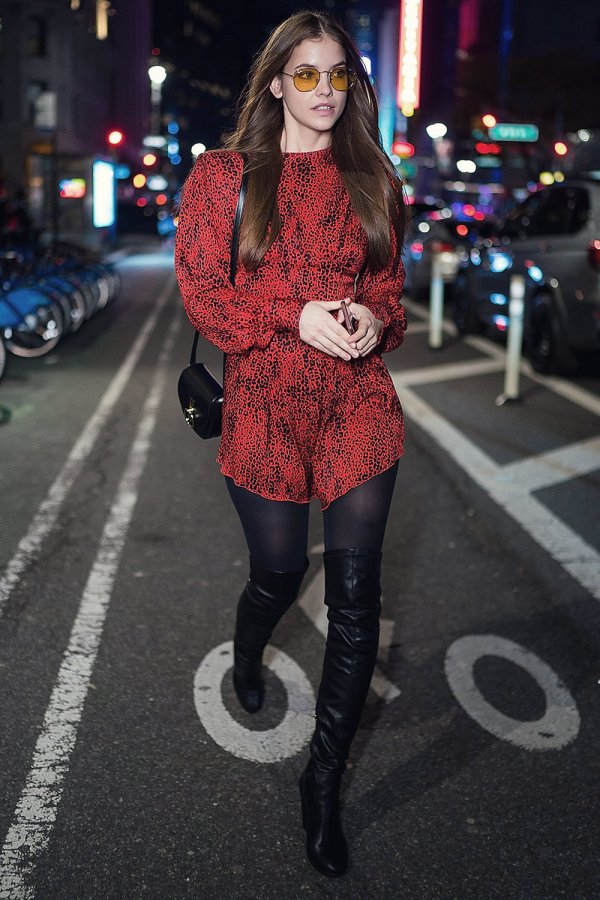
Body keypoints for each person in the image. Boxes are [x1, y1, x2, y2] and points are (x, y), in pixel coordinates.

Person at [175, 10, 408, 878]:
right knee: (277, 572)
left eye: (337, 75)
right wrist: (294, 312)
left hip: (358, 408)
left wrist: (364, 318)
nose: (322, 91)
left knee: (356, 602)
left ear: (351, 85)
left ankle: (322, 783)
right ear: (276, 83)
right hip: (265, 406)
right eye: (304, 74)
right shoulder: (223, 177)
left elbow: (392, 297)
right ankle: (248, 646)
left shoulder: (373, 178)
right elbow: (203, 297)